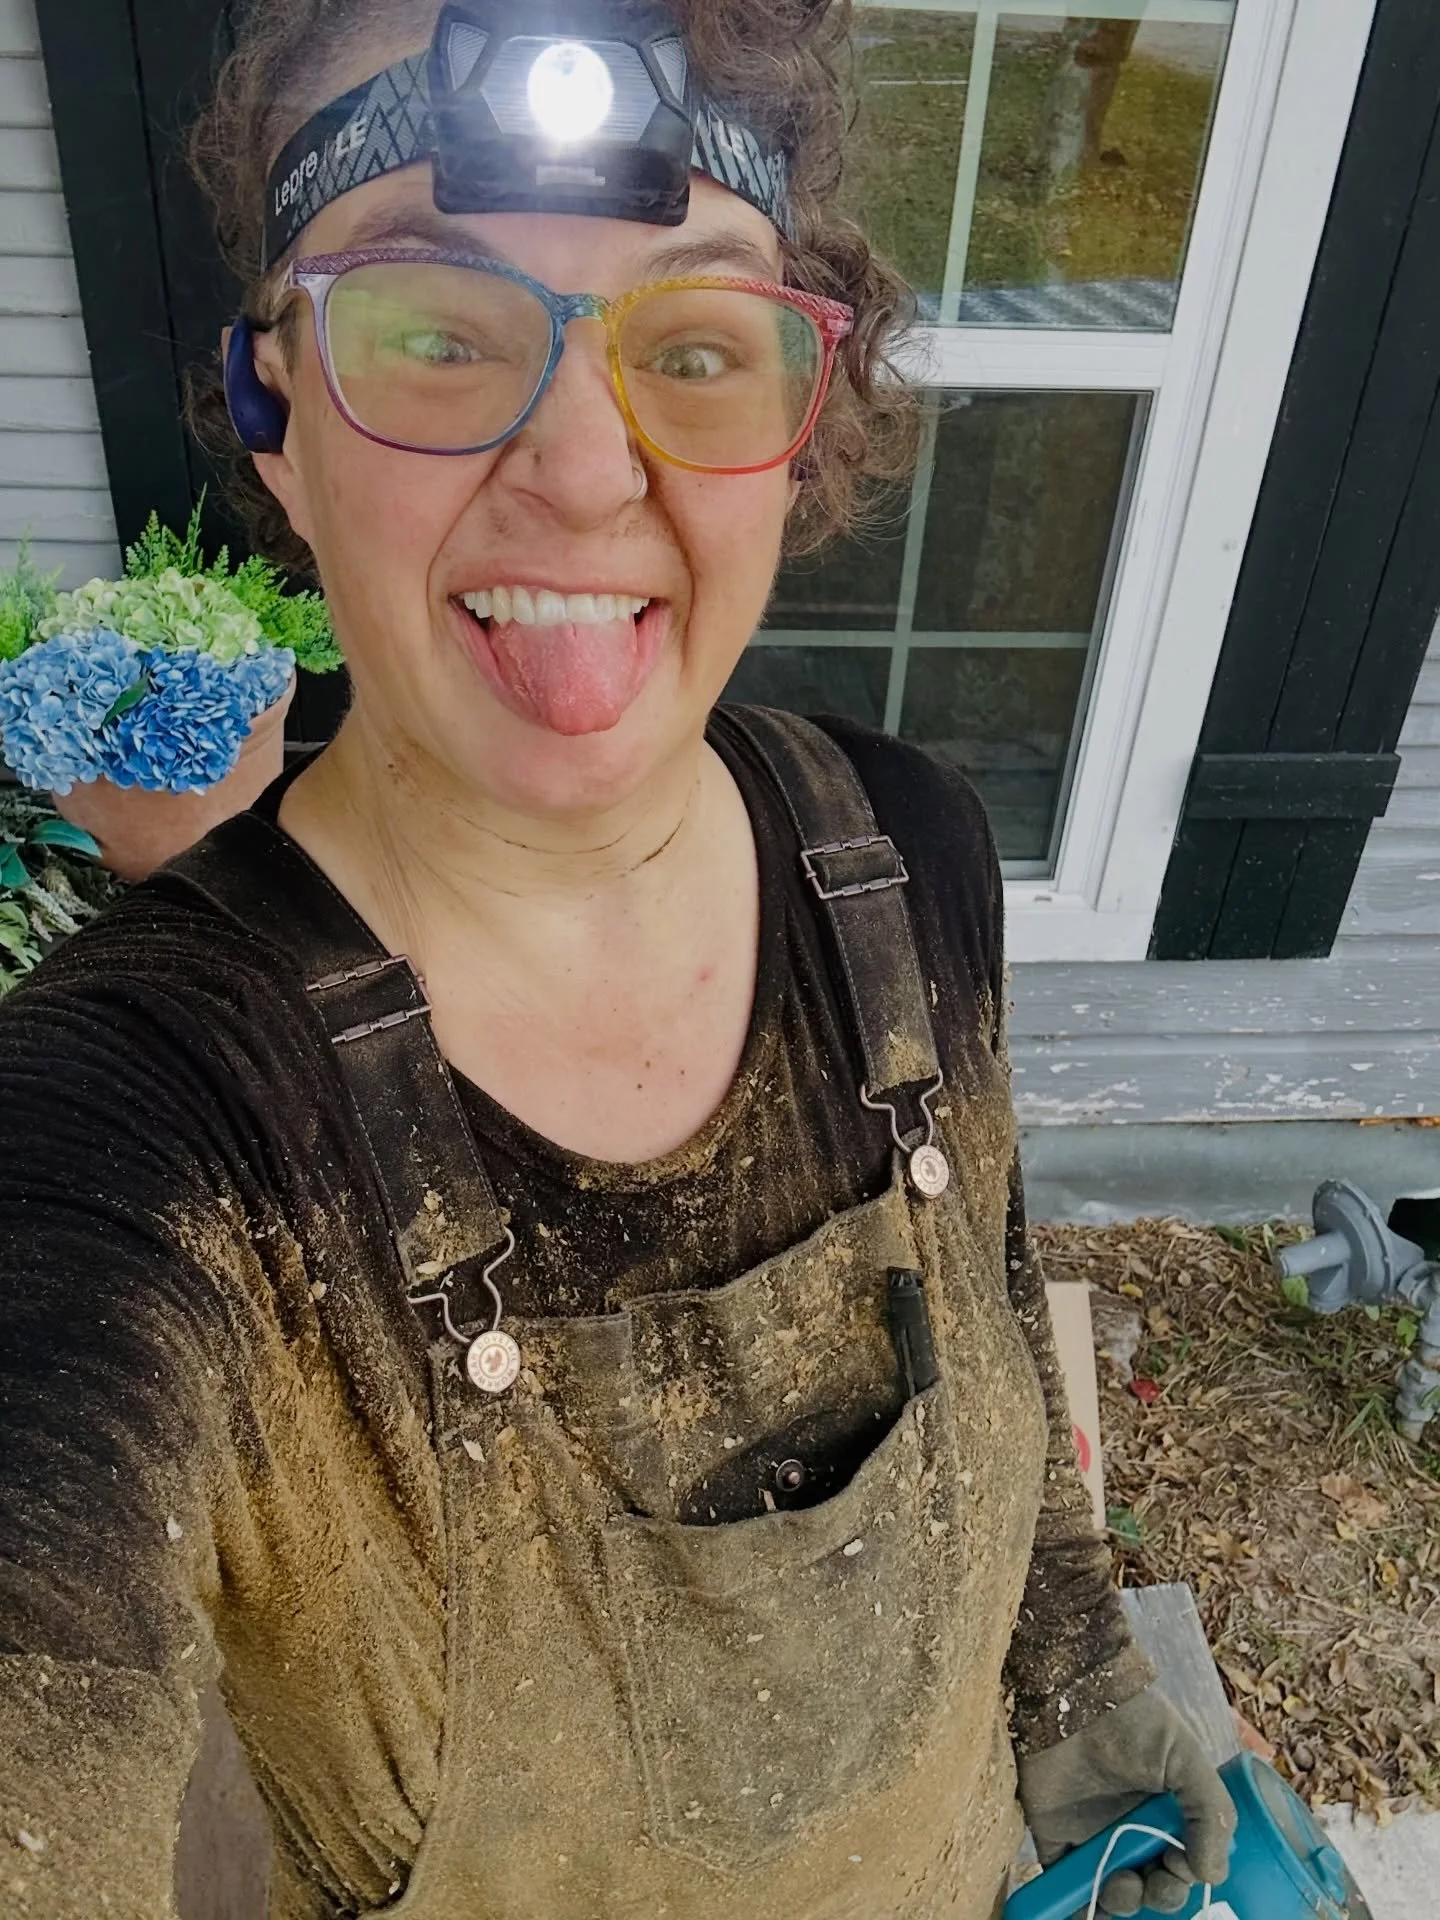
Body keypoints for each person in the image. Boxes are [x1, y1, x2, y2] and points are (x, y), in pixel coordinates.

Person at [0, 2, 1236, 1916]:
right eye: (435, 334)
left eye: (695, 346)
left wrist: (1074, 1670)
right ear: (276, 412)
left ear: (796, 425)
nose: (585, 471)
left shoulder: (908, 849)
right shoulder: (136, 1134)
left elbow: (986, 1294)